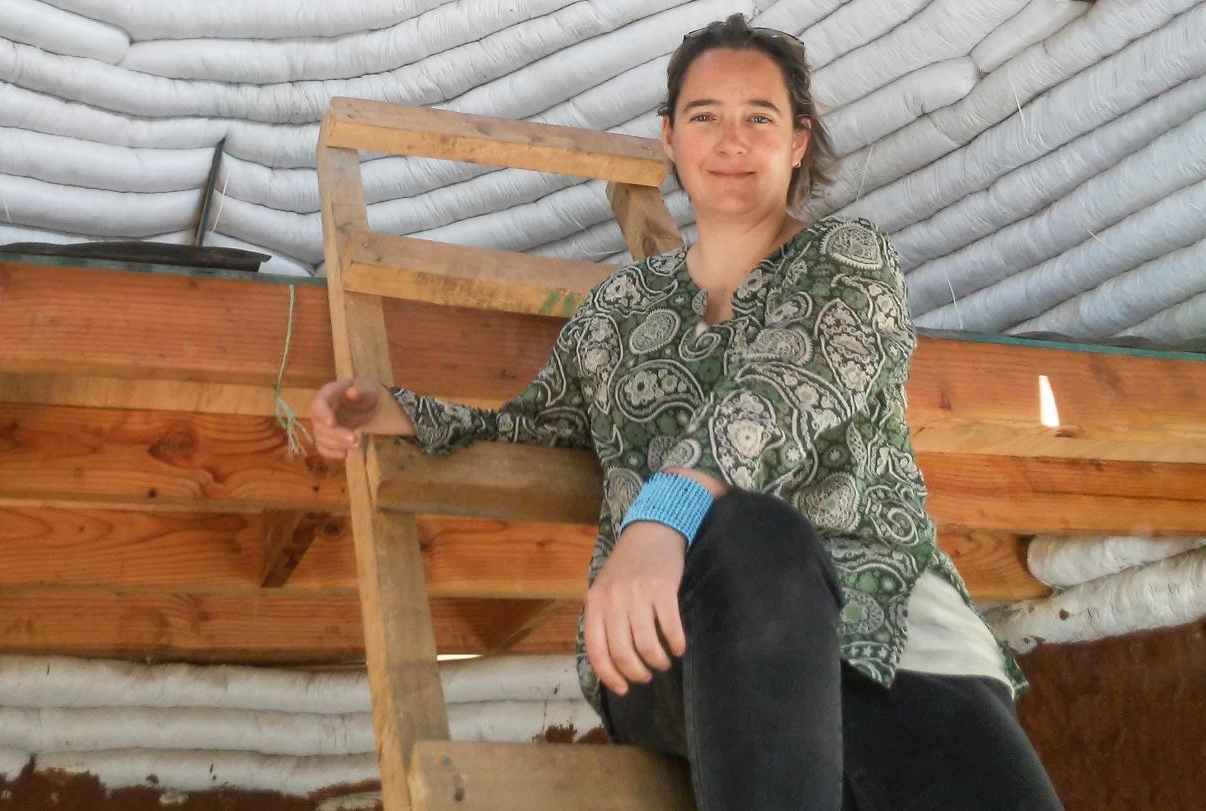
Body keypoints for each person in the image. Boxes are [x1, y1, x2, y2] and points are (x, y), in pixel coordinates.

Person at [311, 14, 1062, 810]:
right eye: (705, 116)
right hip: (684, 643)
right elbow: (541, 422)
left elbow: (784, 388)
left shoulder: (849, 260)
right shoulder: (616, 312)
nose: (730, 141)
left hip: (898, 642)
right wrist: (406, 412)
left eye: (759, 118)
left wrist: (662, 512)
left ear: (798, 142)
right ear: (669, 137)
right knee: (753, 536)